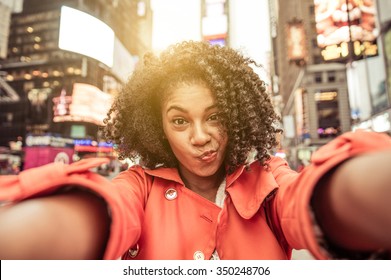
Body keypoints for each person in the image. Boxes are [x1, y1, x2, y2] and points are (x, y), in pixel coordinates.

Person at [0, 40, 391, 260]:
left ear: (236, 116)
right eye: (180, 120)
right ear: (159, 128)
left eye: (215, 116)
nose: (200, 136)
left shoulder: (267, 179)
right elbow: (106, 209)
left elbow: (307, 201)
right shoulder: (139, 186)